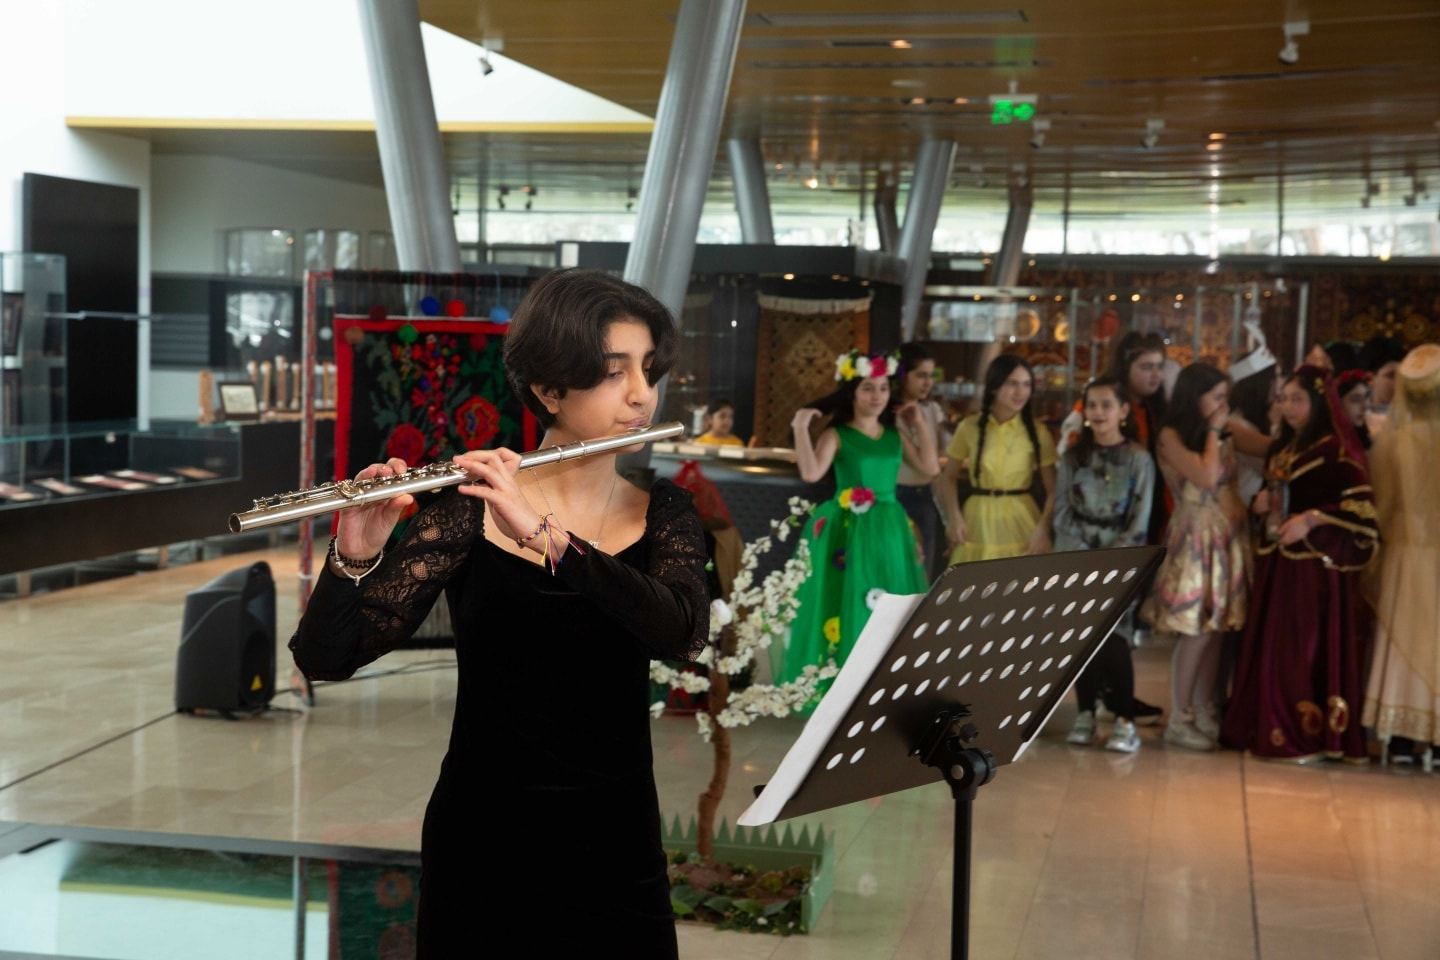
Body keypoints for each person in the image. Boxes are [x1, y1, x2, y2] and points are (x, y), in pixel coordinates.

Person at [289, 269, 709, 956]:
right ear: (549, 389)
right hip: (484, 844)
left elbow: (681, 631)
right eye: (614, 372)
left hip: (616, 844)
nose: (642, 394)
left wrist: (548, 539)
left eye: (648, 369)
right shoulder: (467, 511)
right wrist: (354, 556)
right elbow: (326, 657)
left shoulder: (664, 513)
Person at [1221, 365, 1378, 763]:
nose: (1289, 407)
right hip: (1279, 564)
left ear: (1320, 404)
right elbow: (1271, 494)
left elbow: (1361, 511)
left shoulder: (1336, 451)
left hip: (1314, 569)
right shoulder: (1282, 448)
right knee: (1274, 644)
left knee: (1302, 648)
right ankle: (1269, 725)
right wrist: (1260, 505)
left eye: (1298, 399)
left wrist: (1312, 519)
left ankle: (1304, 734)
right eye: (1284, 398)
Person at [777, 349, 936, 690]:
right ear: (852, 392)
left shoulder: (895, 435)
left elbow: (930, 468)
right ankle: (843, 683)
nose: (877, 396)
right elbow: (811, 471)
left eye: (882, 388)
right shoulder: (838, 435)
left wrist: (919, 423)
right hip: (847, 529)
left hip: (890, 528)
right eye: (867, 388)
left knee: (890, 599)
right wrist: (801, 428)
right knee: (848, 598)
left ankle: (884, 683)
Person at [1140, 363, 1250, 751]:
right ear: (1195, 396)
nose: (1223, 405)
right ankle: (1181, 713)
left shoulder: (1219, 431)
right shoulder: (1171, 435)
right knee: (1196, 630)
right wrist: (1217, 433)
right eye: (1216, 397)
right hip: (1195, 535)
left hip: (1225, 535)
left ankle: (1205, 707)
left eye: (1226, 397)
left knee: (1217, 628)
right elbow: (1204, 477)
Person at [1054, 376, 1156, 753]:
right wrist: (1080, 560)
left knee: (1115, 640)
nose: (1098, 413)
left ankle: (1126, 719)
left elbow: (1140, 517)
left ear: (1123, 411)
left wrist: (1117, 563)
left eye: (1106, 405)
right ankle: (1085, 713)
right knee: (1082, 642)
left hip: (1121, 559)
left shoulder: (1139, 458)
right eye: (1091, 406)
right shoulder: (1072, 456)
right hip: (1078, 559)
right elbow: (1062, 514)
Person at [1363, 343, 1440, 766]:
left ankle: (1403, 738)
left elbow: (1382, 504)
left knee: (1400, 640)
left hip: (1404, 557)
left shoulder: (1392, 442)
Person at [939, 354, 1057, 565]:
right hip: (977, 519)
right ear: (994, 387)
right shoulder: (969, 427)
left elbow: (1053, 489)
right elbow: (948, 477)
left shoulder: (1038, 432)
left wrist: (1043, 528)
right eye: (1012, 383)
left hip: (1022, 517)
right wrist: (954, 517)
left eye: (1026, 384)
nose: (1020, 392)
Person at [892, 342, 951, 576]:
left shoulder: (931, 409)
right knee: (901, 573)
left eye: (931, 376)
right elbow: (929, 466)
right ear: (903, 375)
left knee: (923, 575)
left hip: (927, 496)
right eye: (921, 376)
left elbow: (947, 453)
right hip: (898, 496)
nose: (928, 382)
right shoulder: (892, 414)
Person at [1359, 335, 1406, 440]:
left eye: (1401, 376)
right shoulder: (1357, 415)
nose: (1398, 383)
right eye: (1391, 376)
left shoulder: (1411, 416)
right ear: (1370, 379)